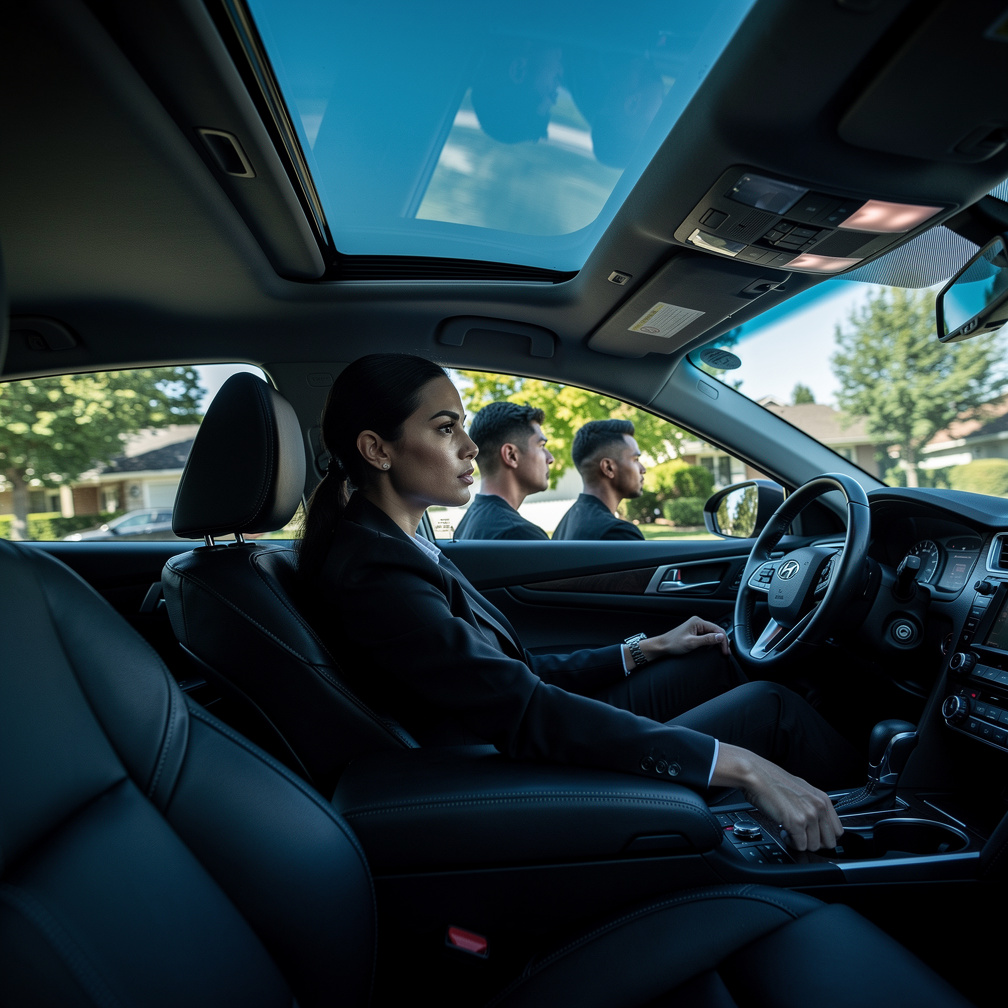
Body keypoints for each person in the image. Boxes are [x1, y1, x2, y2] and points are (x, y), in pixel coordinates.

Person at [298, 353, 859, 851]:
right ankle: (867, 827)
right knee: (769, 708)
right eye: (447, 428)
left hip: (505, 741)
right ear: (377, 449)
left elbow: (507, 671)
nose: (470, 446)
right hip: (500, 773)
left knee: (712, 659)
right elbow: (520, 708)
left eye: (463, 426)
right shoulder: (376, 572)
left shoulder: (398, 546)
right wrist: (737, 765)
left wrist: (644, 649)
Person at [453, 401, 552, 540]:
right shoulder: (520, 534)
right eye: (541, 446)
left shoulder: (466, 524)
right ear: (511, 455)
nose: (550, 458)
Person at [552, 419, 646, 540]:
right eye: (635, 460)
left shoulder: (564, 525)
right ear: (608, 468)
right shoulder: (617, 533)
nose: (643, 469)